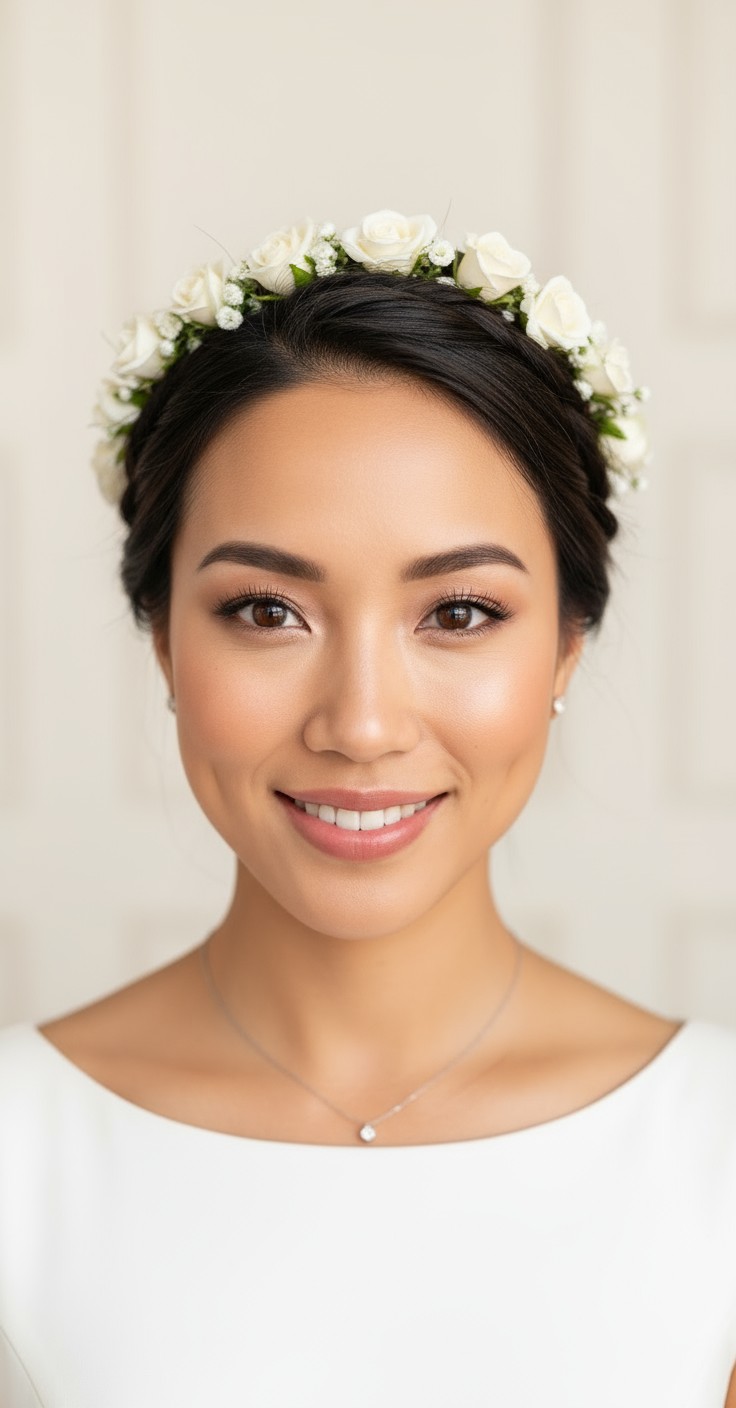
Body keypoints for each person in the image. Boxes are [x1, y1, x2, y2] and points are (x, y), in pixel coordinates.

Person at [1, 210, 735, 1406]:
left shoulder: (715, 1147)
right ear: (163, 643)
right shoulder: (20, 1147)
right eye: (264, 610)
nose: (362, 721)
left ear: (563, 646)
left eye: (457, 613)